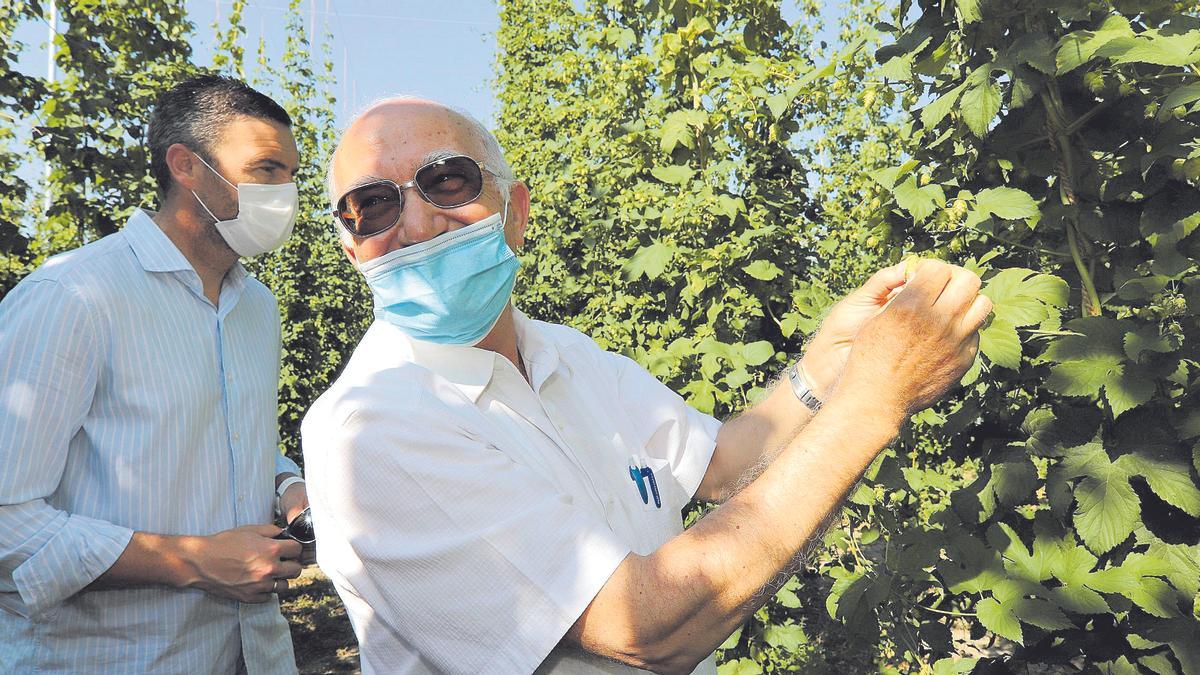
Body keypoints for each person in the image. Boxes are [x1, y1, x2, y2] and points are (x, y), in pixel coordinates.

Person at [301, 96, 991, 674]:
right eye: (371, 206)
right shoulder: (371, 428)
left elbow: (720, 463)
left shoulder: (564, 354)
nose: (416, 224)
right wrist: (875, 398)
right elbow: (645, 625)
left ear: (516, 210)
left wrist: (827, 363)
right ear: (348, 244)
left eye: (446, 180)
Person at [0, 74, 314, 673]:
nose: (286, 193)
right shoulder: (73, 297)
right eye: (267, 170)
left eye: (291, 175)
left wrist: (286, 487)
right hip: (109, 659)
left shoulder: (257, 307)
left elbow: (232, 435)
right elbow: (6, 520)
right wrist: (194, 560)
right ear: (185, 166)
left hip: (251, 653)